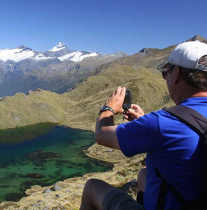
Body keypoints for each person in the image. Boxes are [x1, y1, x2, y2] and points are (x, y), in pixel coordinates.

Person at [80, 41, 207, 210]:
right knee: (143, 174)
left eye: (165, 73)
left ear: (176, 73)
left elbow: (102, 135)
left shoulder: (162, 123)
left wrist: (108, 108)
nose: (166, 79)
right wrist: (145, 123)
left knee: (92, 187)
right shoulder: (161, 125)